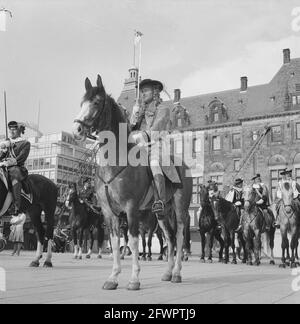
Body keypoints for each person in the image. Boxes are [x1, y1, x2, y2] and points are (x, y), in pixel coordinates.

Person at [130, 78, 180, 218]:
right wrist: (134, 114)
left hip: (157, 146)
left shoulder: (164, 109)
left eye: (146, 90)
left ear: (155, 92)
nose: (143, 94)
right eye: (142, 91)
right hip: (139, 147)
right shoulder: (141, 111)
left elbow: (156, 128)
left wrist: (141, 136)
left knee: (154, 163)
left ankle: (160, 201)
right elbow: (130, 129)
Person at [0, 121, 31, 215]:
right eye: (10, 129)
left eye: (14, 129)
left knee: (15, 180)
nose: (11, 131)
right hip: (3, 165)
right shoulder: (6, 142)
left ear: (19, 131)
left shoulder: (25, 143)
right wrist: (2, 150)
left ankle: (16, 206)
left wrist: (8, 162)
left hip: (16, 167)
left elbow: (21, 158)